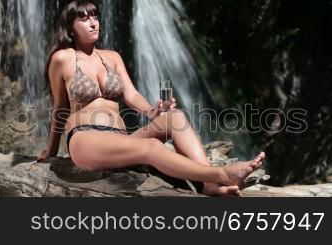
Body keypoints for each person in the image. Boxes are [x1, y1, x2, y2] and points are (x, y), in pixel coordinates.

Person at [37, 0, 265, 196]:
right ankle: (221, 174)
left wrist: (153, 111)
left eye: (95, 17)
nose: (93, 23)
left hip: (120, 138)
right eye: (84, 19)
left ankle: (209, 185)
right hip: (86, 139)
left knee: (174, 117)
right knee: (152, 147)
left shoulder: (112, 57)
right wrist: (51, 150)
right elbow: (60, 107)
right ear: (71, 27)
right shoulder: (62, 59)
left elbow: (131, 94)